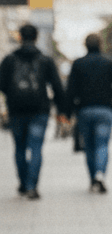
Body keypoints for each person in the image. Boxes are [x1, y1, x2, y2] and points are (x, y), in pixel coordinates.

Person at [0, 23, 66, 199]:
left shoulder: (9, 60)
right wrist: (62, 110)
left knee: (19, 148)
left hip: (16, 110)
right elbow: (57, 87)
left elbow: (2, 85)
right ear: (36, 37)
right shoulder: (45, 60)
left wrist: (12, 97)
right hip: (39, 111)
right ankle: (32, 186)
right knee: (36, 148)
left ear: (20, 37)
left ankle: (22, 183)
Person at [66, 33, 112, 192]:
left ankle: (93, 178)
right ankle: (100, 174)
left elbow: (70, 90)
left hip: (85, 109)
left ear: (85, 45)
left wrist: (68, 111)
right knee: (102, 144)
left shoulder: (78, 64)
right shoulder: (110, 63)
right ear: (101, 44)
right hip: (104, 109)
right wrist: (109, 93)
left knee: (89, 146)